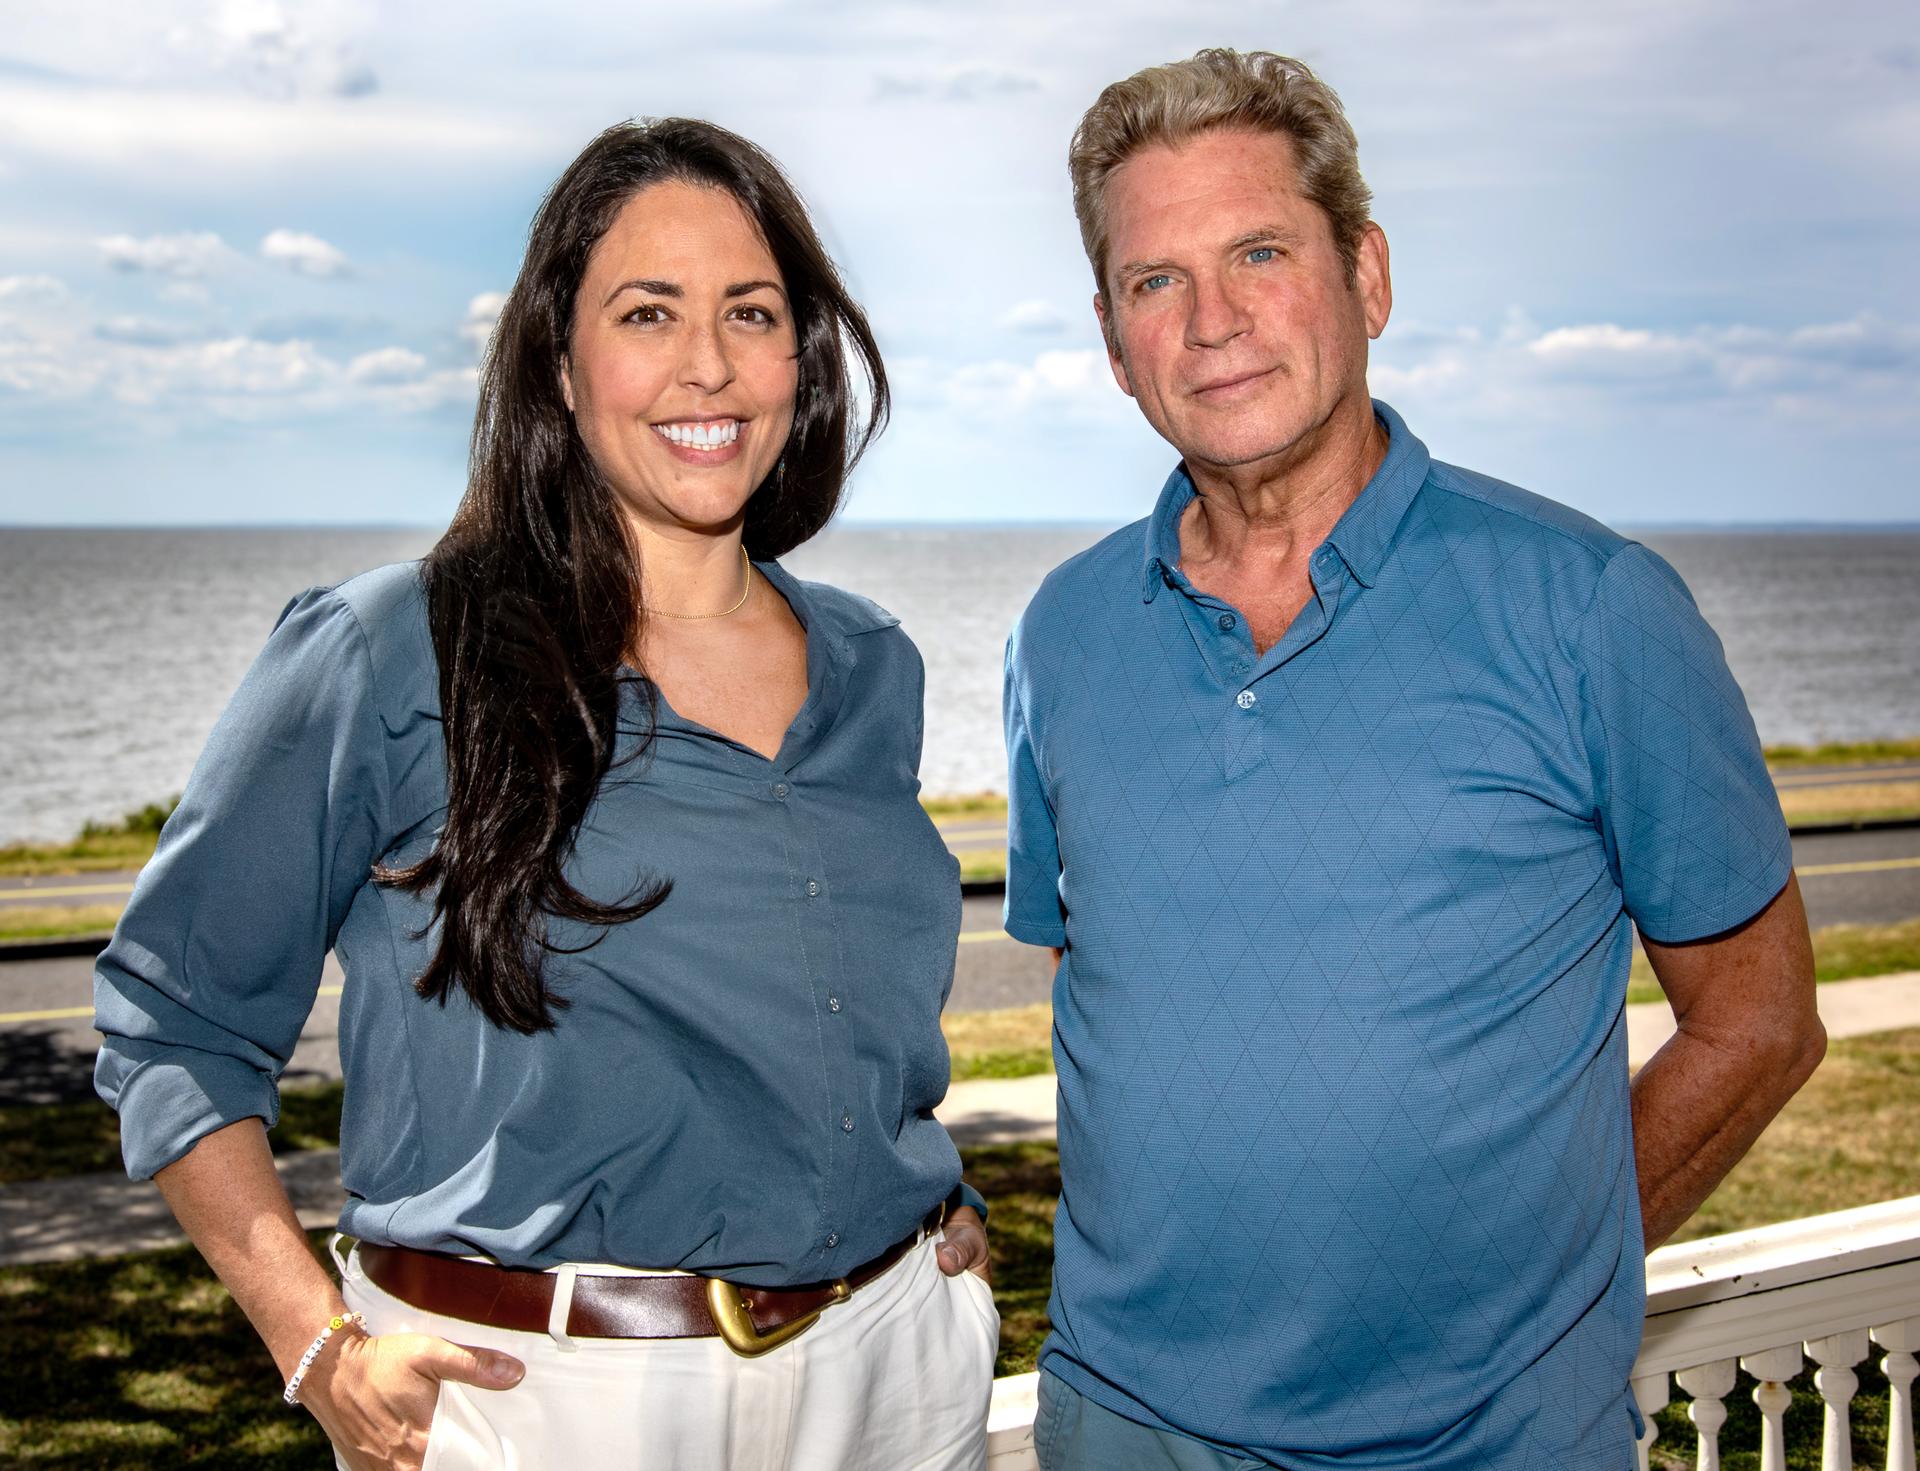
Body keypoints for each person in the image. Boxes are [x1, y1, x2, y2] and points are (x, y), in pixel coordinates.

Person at [94, 117, 997, 1471]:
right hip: (546, 1401)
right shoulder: (393, 651)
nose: (707, 362)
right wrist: (315, 1343)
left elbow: (831, 1012)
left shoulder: (872, 666)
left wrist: (912, 1202)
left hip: (896, 1373)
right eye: (649, 312)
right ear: (561, 367)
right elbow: (175, 1021)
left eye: (751, 312)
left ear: (801, 358)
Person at [1003, 49, 1824, 1471]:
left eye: (1261, 253)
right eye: (1156, 280)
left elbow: (1761, 1022)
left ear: (1367, 276)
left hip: (1487, 1442)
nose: (1212, 321)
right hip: (1119, 1426)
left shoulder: (1593, 607)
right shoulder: (1062, 634)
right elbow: (1104, 988)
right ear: (1113, 338)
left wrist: (1534, 1289)